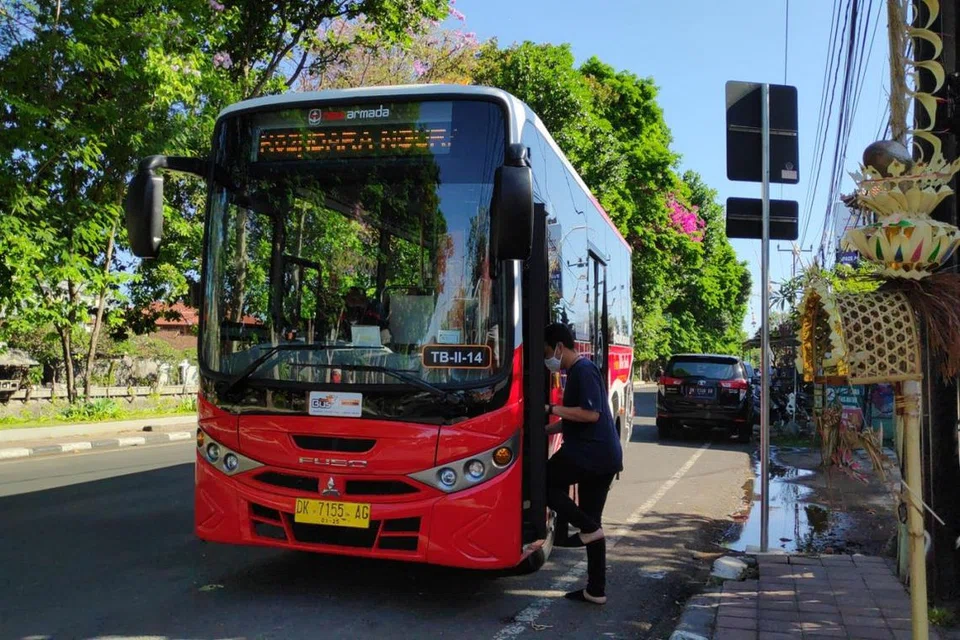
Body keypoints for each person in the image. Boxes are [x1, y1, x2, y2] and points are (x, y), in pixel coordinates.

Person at [543, 322, 623, 605]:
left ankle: (588, 528)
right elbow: (572, 420)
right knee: (592, 524)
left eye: (547, 352)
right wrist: (544, 428)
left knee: (543, 482)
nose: (547, 358)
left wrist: (551, 409)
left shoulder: (583, 370)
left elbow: (590, 415)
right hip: (601, 457)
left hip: (592, 454)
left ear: (559, 347)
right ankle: (596, 590)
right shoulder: (576, 371)